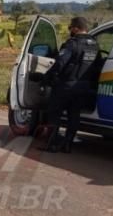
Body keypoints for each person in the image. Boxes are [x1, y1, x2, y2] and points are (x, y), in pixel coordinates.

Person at [42, 16, 100, 153]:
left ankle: (51, 145)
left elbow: (60, 63)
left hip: (66, 85)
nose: (70, 30)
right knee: (74, 115)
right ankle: (67, 145)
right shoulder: (94, 45)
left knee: (54, 113)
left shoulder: (72, 44)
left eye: (70, 28)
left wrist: (47, 77)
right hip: (84, 86)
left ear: (75, 28)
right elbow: (97, 66)